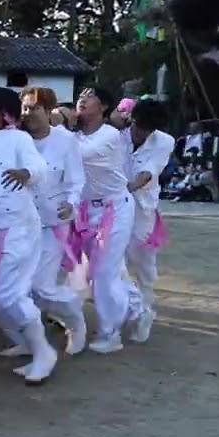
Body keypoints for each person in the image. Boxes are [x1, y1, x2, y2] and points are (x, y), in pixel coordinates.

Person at [0, 87, 57, 384]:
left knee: (9, 294)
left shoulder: (19, 138)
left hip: (18, 227)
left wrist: (27, 173)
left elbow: (40, 166)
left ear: (2, 113)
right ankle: (26, 341)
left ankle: (44, 352)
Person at [19, 86, 87, 355]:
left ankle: (75, 321)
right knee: (18, 288)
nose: (28, 113)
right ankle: (27, 340)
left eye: (33, 108)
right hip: (20, 224)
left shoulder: (65, 140)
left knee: (41, 286)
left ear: (48, 111)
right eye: (24, 108)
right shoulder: (17, 140)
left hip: (52, 223)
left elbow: (76, 179)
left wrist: (71, 203)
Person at [73, 85, 138, 353]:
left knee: (103, 273)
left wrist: (59, 126)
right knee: (106, 270)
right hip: (89, 212)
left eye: (89, 97)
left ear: (103, 107)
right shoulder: (74, 136)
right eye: (80, 97)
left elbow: (79, 155)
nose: (82, 101)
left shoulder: (110, 135)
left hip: (116, 208)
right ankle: (137, 308)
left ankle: (110, 333)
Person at [123, 99, 176, 343]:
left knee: (143, 262)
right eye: (140, 127)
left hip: (143, 208)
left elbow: (149, 172)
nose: (143, 134)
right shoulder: (117, 133)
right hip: (113, 207)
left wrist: (128, 187)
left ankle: (145, 310)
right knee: (110, 260)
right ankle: (133, 310)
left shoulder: (164, 141)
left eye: (149, 130)